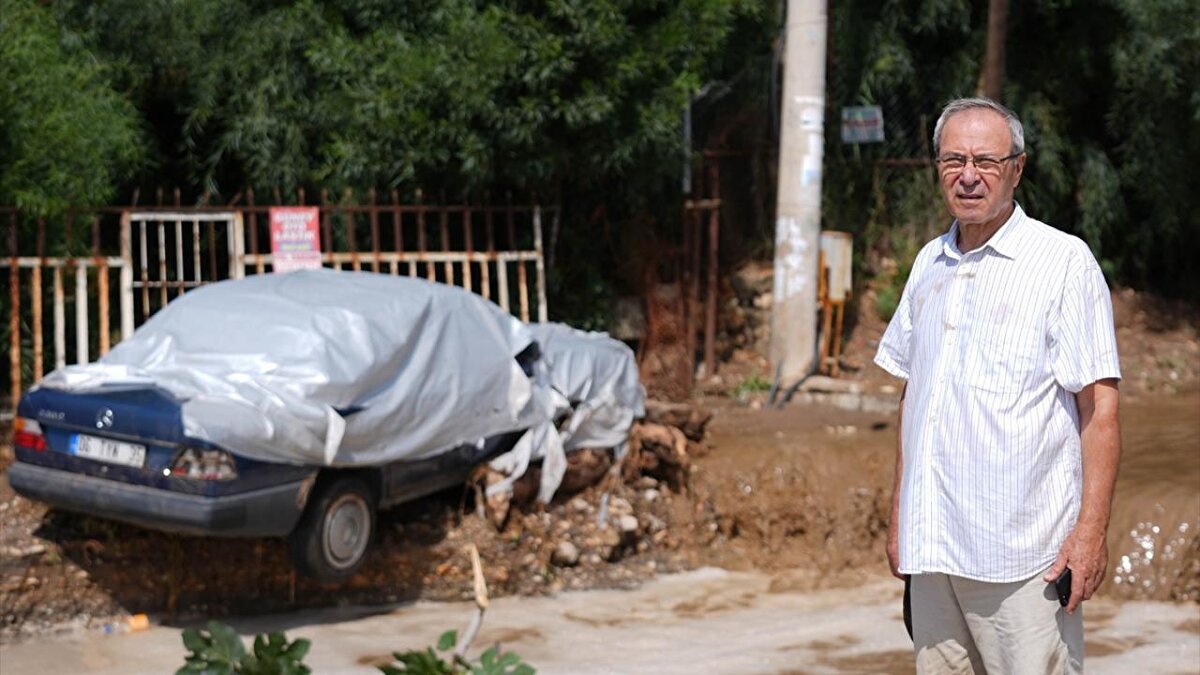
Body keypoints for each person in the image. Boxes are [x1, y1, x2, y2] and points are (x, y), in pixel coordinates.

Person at [874, 97, 1122, 674]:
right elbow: (917, 398)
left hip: (1024, 556)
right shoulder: (928, 263)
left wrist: (1090, 533)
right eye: (952, 160)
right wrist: (899, 521)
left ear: (1017, 167)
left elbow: (1100, 411)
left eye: (986, 161)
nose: (967, 176)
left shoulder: (1064, 262)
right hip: (934, 547)